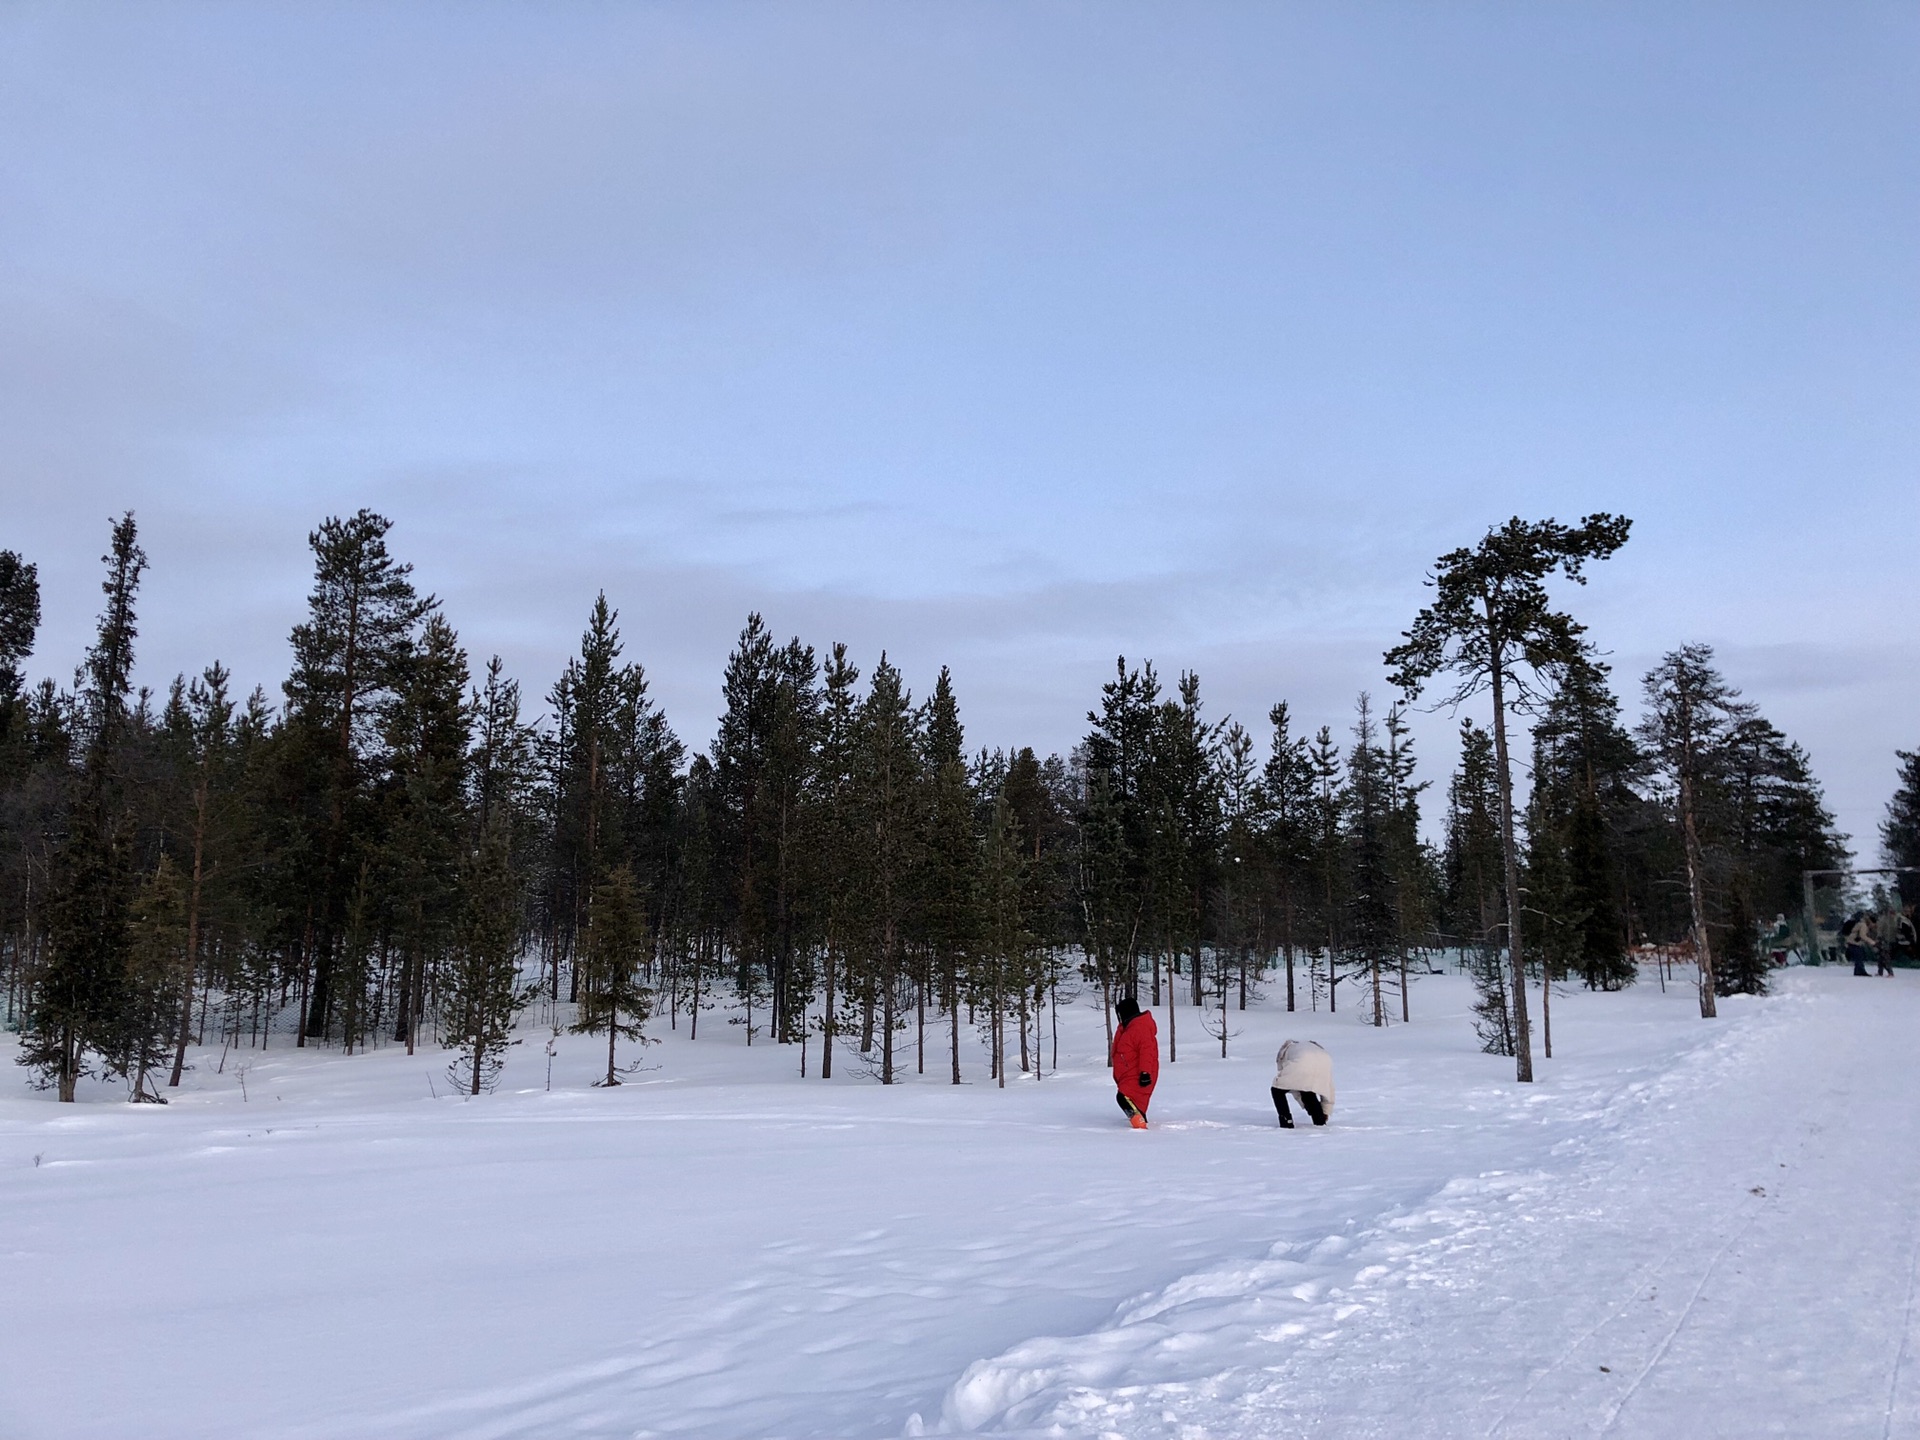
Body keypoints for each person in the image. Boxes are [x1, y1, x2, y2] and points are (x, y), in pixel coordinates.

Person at [1110, 996, 1159, 1129]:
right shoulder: (1128, 1027)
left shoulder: (1139, 1028)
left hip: (1139, 1074)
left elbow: (1147, 1052)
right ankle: (1140, 1122)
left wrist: (1145, 1073)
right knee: (1134, 1102)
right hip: (1130, 1072)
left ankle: (1140, 1126)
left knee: (1123, 1097)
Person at [1271, 1039, 1334, 1128]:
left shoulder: (1286, 1051)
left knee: (1277, 1090)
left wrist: (1304, 1105)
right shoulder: (1316, 1049)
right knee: (1307, 1091)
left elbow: (1291, 1083)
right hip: (1326, 1061)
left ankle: (1286, 1121)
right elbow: (1329, 1088)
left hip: (1301, 1061)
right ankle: (1320, 1121)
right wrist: (1326, 1111)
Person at [1845, 911, 1876, 977]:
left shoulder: (1861, 924)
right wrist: (1872, 942)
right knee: (1859, 957)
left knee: (1858, 957)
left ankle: (1858, 971)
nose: (1873, 926)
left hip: (1852, 942)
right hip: (1854, 943)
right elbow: (1862, 935)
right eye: (1873, 924)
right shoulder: (1864, 925)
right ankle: (1861, 971)